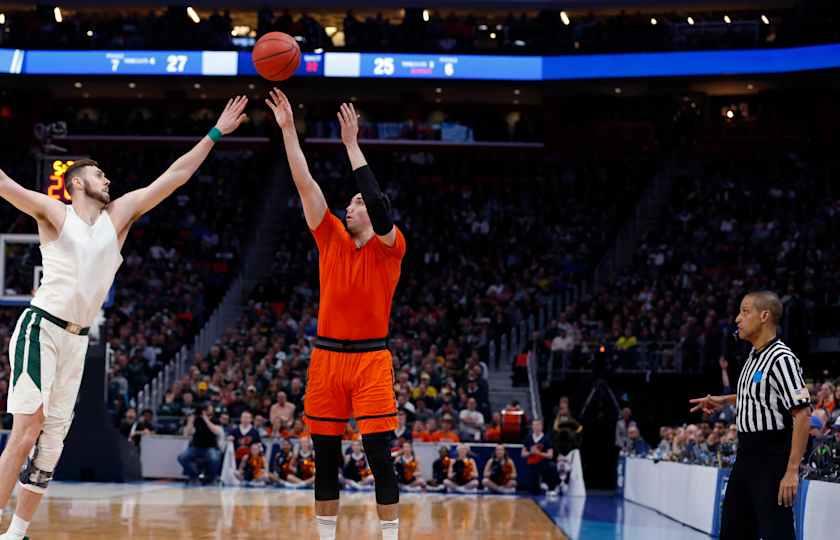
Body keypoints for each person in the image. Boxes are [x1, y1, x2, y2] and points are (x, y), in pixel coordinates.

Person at [0, 96, 247, 540]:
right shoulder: (55, 213)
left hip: (77, 341)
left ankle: (15, 533)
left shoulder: (118, 218)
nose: (107, 178)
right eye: (98, 174)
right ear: (76, 184)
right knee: (27, 428)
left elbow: (175, 176)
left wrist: (216, 132)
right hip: (42, 328)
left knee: (51, 447)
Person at [266, 90, 406, 540]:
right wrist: (289, 131)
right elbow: (305, 182)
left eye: (358, 203)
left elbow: (380, 207)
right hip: (326, 359)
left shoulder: (391, 246)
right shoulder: (330, 237)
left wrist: (351, 145)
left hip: (370, 360)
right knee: (324, 457)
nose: (351, 206)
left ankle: (390, 537)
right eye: (349, 203)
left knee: (378, 454)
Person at [690, 291, 811, 540]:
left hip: (771, 457)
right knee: (733, 530)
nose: (737, 319)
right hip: (745, 455)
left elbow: (802, 413)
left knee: (776, 532)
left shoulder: (782, 359)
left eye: (745, 311)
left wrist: (791, 471)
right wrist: (723, 400)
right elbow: (759, 393)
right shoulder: (753, 358)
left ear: (764, 315)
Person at [178, 403, 224, 485]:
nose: (211, 409)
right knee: (182, 457)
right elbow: (187, 433)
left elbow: (215, 431)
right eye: (209, 408)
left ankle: (211, 478)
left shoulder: (215, 419)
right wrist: (190, 422)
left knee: (214, 458)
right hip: (196, 447)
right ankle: (194, 475)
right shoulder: (196, 419)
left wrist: (206, 419)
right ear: (204, 410)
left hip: (211, 447)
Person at [522, 419, 556, 494]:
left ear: (541, 427)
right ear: (532, 427)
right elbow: (523, 454)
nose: (536, 427)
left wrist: (539, 453)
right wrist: (530, 452)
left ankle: (550, 487)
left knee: (552, 466)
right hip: (531, 465)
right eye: (534, 425)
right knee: (533, 491)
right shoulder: (528, 438)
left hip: (543, 464)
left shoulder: (546, 438)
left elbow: (550, 455)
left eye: (538, 425)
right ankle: (538, 485)